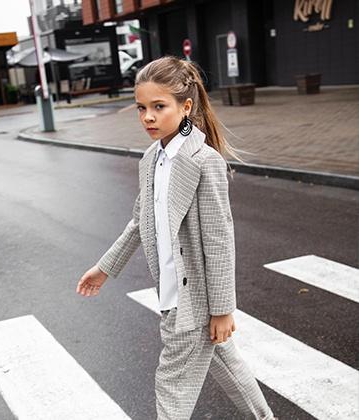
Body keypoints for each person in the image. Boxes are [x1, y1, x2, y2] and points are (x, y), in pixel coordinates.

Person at [76, 55, 277, 420]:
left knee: (171, 389)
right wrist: (104, 268)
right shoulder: (152, 158)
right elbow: (140, 221)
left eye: (158, 107)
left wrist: (222, 310)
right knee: (228, 366)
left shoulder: (203, 160)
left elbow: (218, 240)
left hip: (193, 300)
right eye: (141, 108)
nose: (148, 117)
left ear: (185, 107)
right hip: (171, 295)